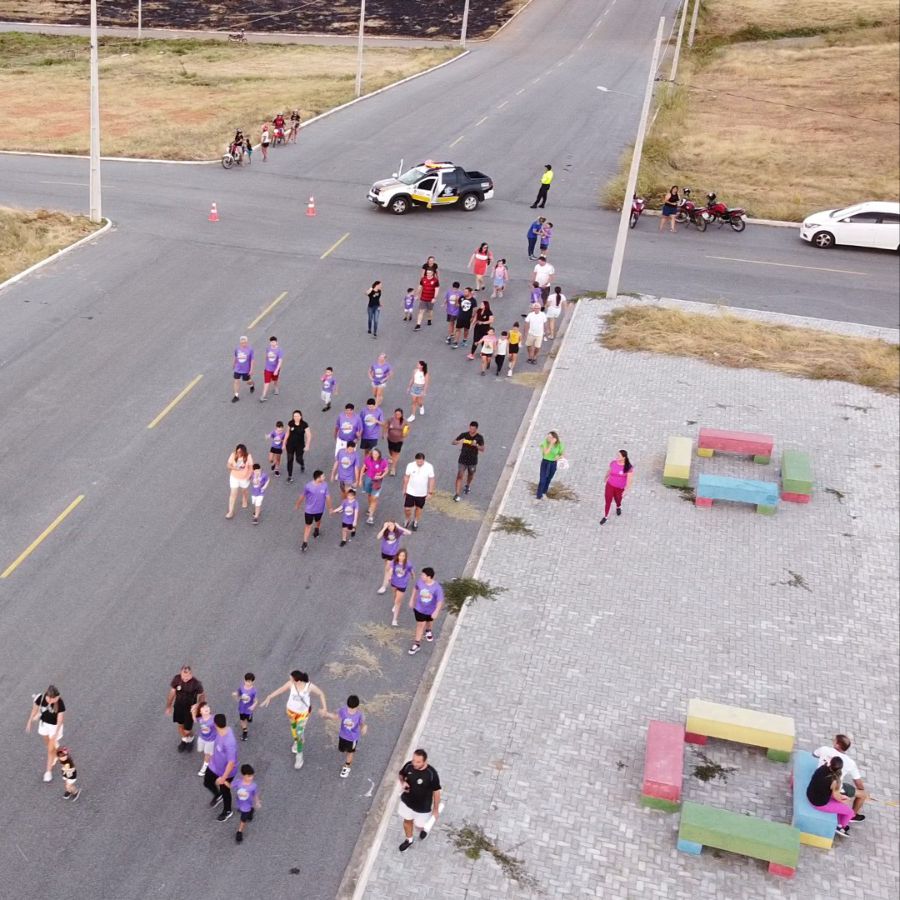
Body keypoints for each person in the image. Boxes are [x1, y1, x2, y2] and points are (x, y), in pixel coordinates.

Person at [260, 670, 328, 769]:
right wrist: (269, 697)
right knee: (294, 731)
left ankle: (299, 755)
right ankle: (297, 740)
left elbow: (321, 694)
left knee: (299, 734)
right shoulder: (290, 684)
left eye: (292, 679)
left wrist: (324, 708)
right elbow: (280, 690)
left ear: (298, 681)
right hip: (291, 712)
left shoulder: (309, 687)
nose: (290, 680)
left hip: (302, 714)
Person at [814, 734, 870, 822]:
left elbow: (814, 755)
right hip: (832, 789)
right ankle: (852, 815)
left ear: (837, 745)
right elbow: (859, 784)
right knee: (863, 794)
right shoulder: (850, 763)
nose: (832, 740)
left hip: (819, 780)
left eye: (834, 740)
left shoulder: (824, 749)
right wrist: (860, 790)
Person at [397, 749, 442, 851]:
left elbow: (436, 791)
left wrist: (435, 809)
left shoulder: (431, 774)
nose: (414, 764)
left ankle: (424, 829)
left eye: (418, 762)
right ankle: (409, 840)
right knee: (407, 821)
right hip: (407, 802)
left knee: (419, 826)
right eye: (413, 760)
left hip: (422, 807)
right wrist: (403, 782)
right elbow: (401, 774)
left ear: (425, 761)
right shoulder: (409, 766)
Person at [26, 685, 66, 782]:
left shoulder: (60, 703)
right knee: (48, 744)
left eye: (55, 699)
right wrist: (29, 721)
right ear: (47, 696)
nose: (54, 700)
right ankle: (59, 753)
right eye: (51, 699)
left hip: (54, 727)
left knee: (49, 749)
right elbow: (34, 710)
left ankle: (48, 772)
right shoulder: (40, 698)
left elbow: (60, 720)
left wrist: (56, 734)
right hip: (44, 725)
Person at [807, 757, 854, 836]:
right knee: (850, 812)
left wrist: (841, 798)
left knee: (842, 804)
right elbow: (836, 796)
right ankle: (841, 827)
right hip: (818, 803)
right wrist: (845, 800)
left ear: (831, 763)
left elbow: (832, 792)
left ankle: (840, 822)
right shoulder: (833, 781)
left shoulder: (822, 768)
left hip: (811, 793)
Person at [204, 714, 238, 822]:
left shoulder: (229, 742)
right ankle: (218, 795)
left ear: (216, 724)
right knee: (207, 782)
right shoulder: (220, 729)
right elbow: (206, 721)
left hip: (226, 772)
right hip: (214, 765)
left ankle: (227, 811)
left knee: (225, 791)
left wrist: (223, 778)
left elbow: (231, 762)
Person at [165, 665, 205, 752]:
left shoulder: (196, 684)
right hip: (178, 707)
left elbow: (202, 695)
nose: (185, 678)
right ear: (180, 673)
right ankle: (184, 740)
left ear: (191, 674)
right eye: (183, 676)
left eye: (187, 676)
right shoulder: (177, 679)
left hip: (190, 710)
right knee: (180, 726)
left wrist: (199, 706)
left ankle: (190, 739)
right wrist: (168, 706)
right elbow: (172, 693)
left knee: (187, 730)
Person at [326, 695, 368, 778]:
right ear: (357, 705)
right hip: (344, 736)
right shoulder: (347, 711)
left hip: (351, 738)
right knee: (343, 750)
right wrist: (364, 728)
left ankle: (347, 767)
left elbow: (335, 717)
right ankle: (347, 758)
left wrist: (327, 714)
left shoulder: (352, 713)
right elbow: (337, 717)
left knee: (350, 752)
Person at [408, 568, 444, 655]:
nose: (421, 576)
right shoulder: (420, 582)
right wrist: (412, 599)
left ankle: (428, 630)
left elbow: (440, 601)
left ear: (429, 577)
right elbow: (415, 588)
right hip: (419, 608)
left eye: (423, 575)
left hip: (431, 610)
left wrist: (436, 611)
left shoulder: (437, 588)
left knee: (429, 621)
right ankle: (417, 644)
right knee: (420, 625)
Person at [297, 470, 333, 552]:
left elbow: (328, 497)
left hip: (319, 509)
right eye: (323, 476)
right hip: (309, 510)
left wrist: (330, 508)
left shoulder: (325, 485)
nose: (324, 477)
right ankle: (305, 543)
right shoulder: (308, 486)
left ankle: (317, 528)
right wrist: (298, 504)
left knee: (318, 520)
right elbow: (303, 495)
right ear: (318, 478)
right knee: (308, 526)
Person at [402, 453, 435, 532]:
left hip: (422, 493)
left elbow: (432, 479)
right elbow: (406, 477)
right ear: (415, 460)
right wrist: (404, 488)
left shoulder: (429, 467)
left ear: (424, 460)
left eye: (421, 462)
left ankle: (415, 521)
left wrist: (430, 492)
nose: (419, 463)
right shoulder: (410, 465)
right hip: (410, 491)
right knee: (407, 508)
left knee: (418, 508)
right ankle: (407, 519)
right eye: (418, 462)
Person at [453, 422, 485, 501]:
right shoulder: (464, 435)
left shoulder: (479, 437)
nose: (471, 430)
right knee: (460, 476)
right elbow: (453, 442)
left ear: (476, 429)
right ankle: (457, 494)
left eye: (473, 429)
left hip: (472, 461)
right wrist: (459, 442)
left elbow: (483, 449)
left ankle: (467, 485)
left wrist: (476, 445)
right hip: (462, 459)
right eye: (470, 428)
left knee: (470, 474)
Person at [600, 450, 634, 525]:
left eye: (619, 456)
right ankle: (606, 516)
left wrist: (626, 490)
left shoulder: (628, 467)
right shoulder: (613, 463)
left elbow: (629, 481)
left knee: (618, 499)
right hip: (610, 485)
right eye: (617, 455)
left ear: (624, 457)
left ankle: (618, 506)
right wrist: (606, 477)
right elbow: (609, 471)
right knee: (608, 500)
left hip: (620, 488)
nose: (617, 457)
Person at [377, 521, 411, 593]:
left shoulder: (397, 531)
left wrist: (399, 527)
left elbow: (409, 532)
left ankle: (384, 586)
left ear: (394, 525)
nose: (390, 527)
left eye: (391, 525)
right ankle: (392, 575)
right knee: (387, 566)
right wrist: (384, 528)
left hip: (393, 554)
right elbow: (378, 537)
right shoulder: (385, 531)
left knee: (387, 569)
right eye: (388, 526)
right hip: (385, 553)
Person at [234, 764, 261, 843]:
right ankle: (251, 811)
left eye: (252, 776)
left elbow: (255, 794)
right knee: (244, 811)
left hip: (247, 805)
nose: (251, 778)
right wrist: (223, 781)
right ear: (243, 775)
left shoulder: (253, 786)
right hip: (240, 802)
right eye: (249, 776)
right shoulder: (238, 783)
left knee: (243, 819)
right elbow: (231, 786)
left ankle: (239, 832)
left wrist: (257, 801)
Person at [226, 444, 253, 519]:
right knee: (233, 494)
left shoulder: (248, 456)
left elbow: (251, 467)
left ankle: (244, 499)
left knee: (244, 491)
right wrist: (235, 468)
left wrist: (248, 476)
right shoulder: (233, 455)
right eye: (237, 451)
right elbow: (228, 465)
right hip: (234, 477)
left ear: (244, 452)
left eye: (240, 452)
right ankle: (230, 511)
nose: (238, 453)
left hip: (244, 478)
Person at [362, 448, 389, 524]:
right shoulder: (368, 459)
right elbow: (363, 468)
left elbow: (386, 470)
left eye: (376, 454)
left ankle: (370, 517)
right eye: (373, 454)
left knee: (374, 498)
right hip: (368, 479)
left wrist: (381, 476)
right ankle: (370, 507)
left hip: (377, 482)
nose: (375, 455)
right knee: (369, 495)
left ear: (379, 454)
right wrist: (360, 479)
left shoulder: (383, 461)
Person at [388, 548, 414, 626]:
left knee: (398, 602)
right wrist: (389, 576)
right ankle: (395, 604)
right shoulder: (394, 562)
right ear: (398, 556)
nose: (401, 557)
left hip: (402, 584)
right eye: (400, 555)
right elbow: (391, 570)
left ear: (406, 557)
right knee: (395, 596)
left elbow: (411, 570)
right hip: (394, 582)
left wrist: (413, 576)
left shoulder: (408, 564)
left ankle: (394, 619)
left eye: (403, 556)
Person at [536, 431, 565, 499]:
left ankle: (544, 492)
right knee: (542, 479)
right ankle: (539, 495)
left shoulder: (560, 444)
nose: (548, 438)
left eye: (550, 437)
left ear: (555, 438)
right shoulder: (545, 442)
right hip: (545, 462)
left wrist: (559, 457)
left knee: (549, 478)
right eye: (548, 437)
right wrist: (551, 444)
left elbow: (562, 454)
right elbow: (545, 453)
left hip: (553, 463)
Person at [284, 410, 311, 484]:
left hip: (300, 445)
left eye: (297, 416)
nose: (296, 417)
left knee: (298, 459)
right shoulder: (290, 423)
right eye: (294, 416)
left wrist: (308, 445)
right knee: (290, 460)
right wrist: (284, 443)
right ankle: (289, 476)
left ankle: (302, 464)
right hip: (290, 445)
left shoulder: (304, 424)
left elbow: (309, 435)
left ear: (301, 416)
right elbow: (287, 433)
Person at [232, 673, 257, 742]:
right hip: (242, 708)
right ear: (244, 680)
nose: (247, 683)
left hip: (249, 710)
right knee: (242, 720)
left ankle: (249, 718)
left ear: (253, 682)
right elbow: (238, 694)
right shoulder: (241, 688)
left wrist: (253, 706)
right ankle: (245, 732)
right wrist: (235, 694)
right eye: (246, 681)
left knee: (247, 720)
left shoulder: (253, 691)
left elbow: (256, 701)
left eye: (249, 682)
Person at [383, 408, 409, 476]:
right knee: (391, 452)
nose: (397, 415)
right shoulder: (390, 419)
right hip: (390, 439)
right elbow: (385, 426)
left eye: (399, 414)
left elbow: (408, 427)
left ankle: (393, 468)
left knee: (395, 453)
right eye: (396, 414)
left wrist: (405, 434)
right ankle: (392, 458)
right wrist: (384, 433)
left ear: (401, 414)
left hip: (399, 440)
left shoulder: (404, 421)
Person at [260, 335, 283, 402]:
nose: (272, 343)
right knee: (266, 382)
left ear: (276, 342)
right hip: (268, 369)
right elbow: (267, 357)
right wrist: (266, 366)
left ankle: (275, 387)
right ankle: (263, 396)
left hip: (275, 370)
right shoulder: (268, 349)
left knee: (275, 380)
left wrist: (276, 370)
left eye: (274, 342)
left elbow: (280, 361)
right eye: (271, 342)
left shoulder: (279, 350)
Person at [231, 336, 255, 402]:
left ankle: (252, 385)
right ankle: (236, 396)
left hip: (246, 370)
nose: (243, 344)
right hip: (237, 369)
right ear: (240, 343)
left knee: (248, 381)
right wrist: (233, 364)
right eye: (242, 343)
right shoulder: (237, 349)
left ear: (247, 342)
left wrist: (251, 369)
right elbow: (236, 357)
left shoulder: (250, 350)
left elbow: (252, 360)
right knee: (236, 381)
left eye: (244, 342)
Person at [195, 702, 216, 776]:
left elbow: (220, 728)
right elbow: (195, 720)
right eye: (203, 708)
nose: (206, 708)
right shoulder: (200, 718)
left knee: (207, 754)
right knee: (200, 750)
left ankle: (204, 768)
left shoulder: (214, 719)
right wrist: (192, 711)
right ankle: (212, 753)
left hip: (211, 740)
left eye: (207, 707)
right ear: (200, 711)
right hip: (202, 738)